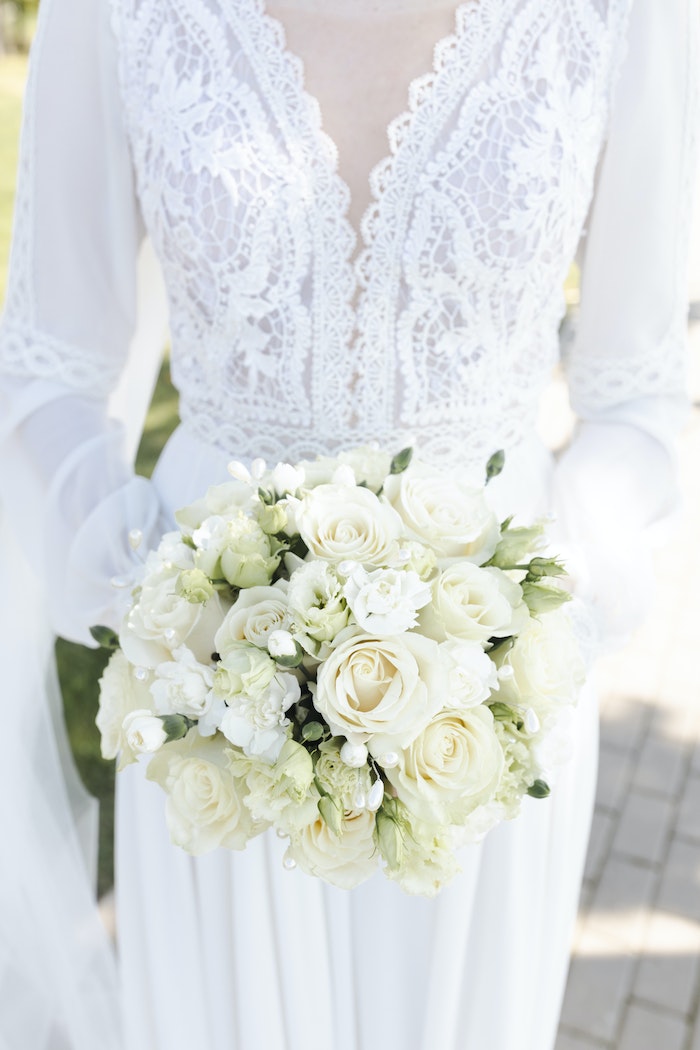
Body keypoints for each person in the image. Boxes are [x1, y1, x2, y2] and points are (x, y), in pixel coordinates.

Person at [0, 0, 696, 1047]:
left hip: (488, 698)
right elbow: (50, 364)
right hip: (211, 689)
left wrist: (551, 590)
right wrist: (143, 570)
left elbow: (638, 395)